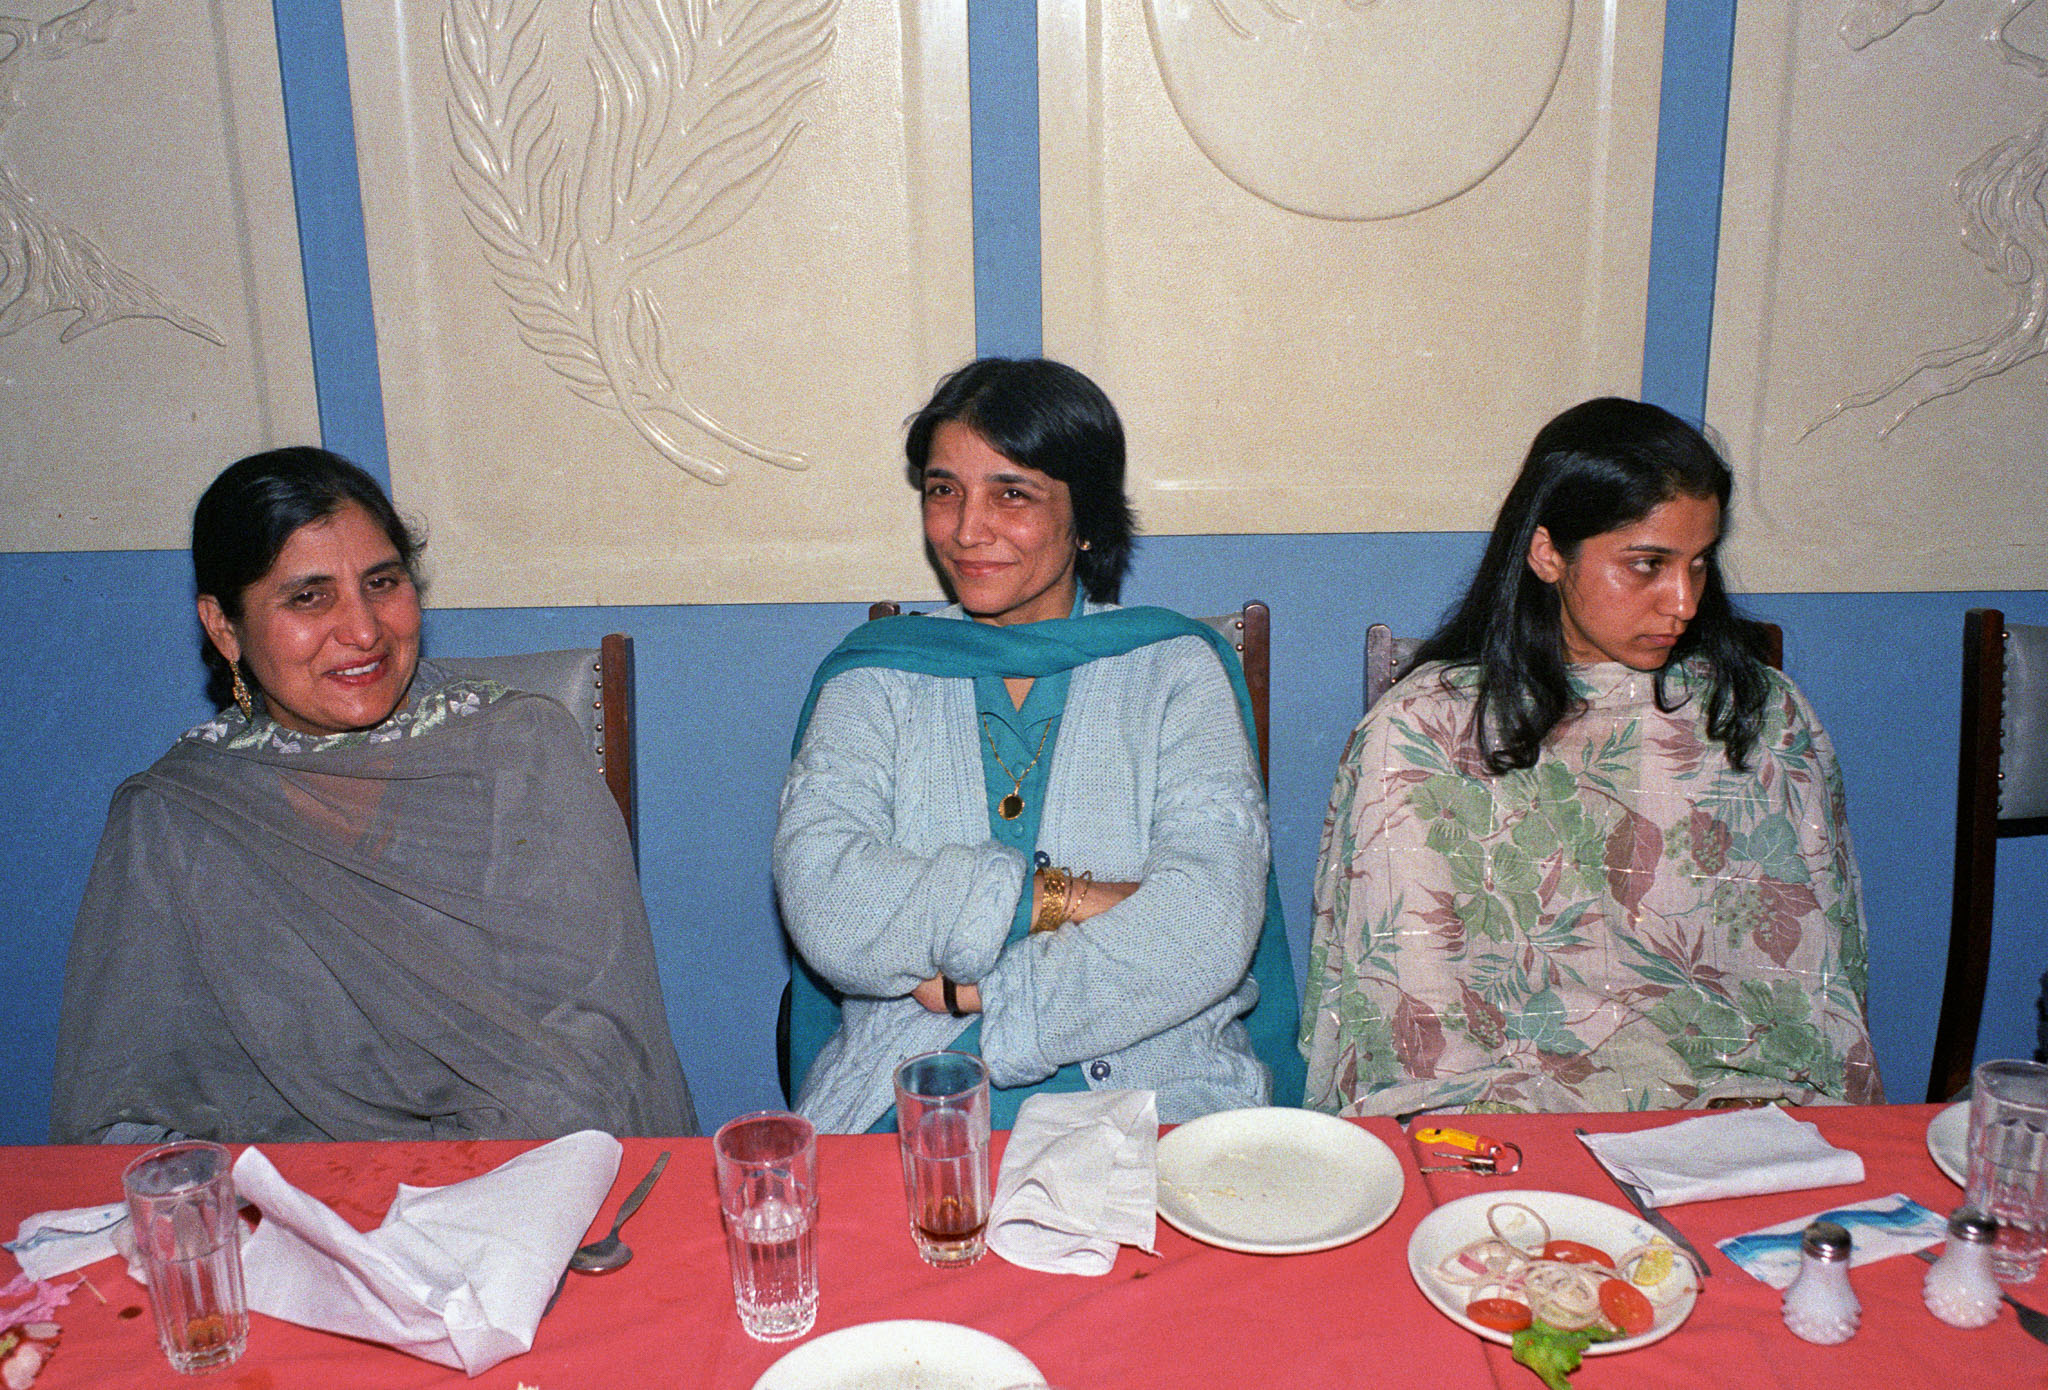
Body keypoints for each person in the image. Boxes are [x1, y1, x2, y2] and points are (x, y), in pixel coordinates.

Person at [51, 447, 697, 1143]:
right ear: (223, 627)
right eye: (309, 597)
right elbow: (129, 1111)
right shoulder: (178, 814)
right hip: (272, 1194)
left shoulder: (519, 754)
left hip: (510, 1173)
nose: (363, 631)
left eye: (382, 583)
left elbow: (592, 1057)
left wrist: (434, 1190)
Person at [1300, 398, 1882, 1115]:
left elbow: (1817, 1002)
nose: (1683, 602)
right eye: (1647, 565)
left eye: (1700, 565)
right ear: (1547, 553)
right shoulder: (1423, 735)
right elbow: (1416, 1024)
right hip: (1501, 1128)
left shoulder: (1758, 717)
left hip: (1735, 1123)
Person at [774, 357, 1300, 1133]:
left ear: (1085, 518)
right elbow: (829, 903)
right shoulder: (878, 675)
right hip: (907, 1100)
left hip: (1158, 1094)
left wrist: (976, 991)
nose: (966, 529)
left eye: (1011, 494)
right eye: (944, 490)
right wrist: (1072, 899)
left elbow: (1207, 924)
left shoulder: (1175, 672)